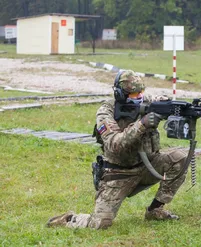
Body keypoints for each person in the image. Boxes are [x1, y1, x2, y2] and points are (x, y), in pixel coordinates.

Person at [47, 70, 188, 229]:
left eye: (141, 92)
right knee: (100, 223)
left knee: (180, 158)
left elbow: (159, 103)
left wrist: (182, 110)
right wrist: (142, 124)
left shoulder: (146, 102)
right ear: (120, 95)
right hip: (118, 174)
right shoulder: (105, 112)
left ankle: (155, 210)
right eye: (133, 94)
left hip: (146, 165)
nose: (139, 97)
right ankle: (68, 219)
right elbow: (115, 143)